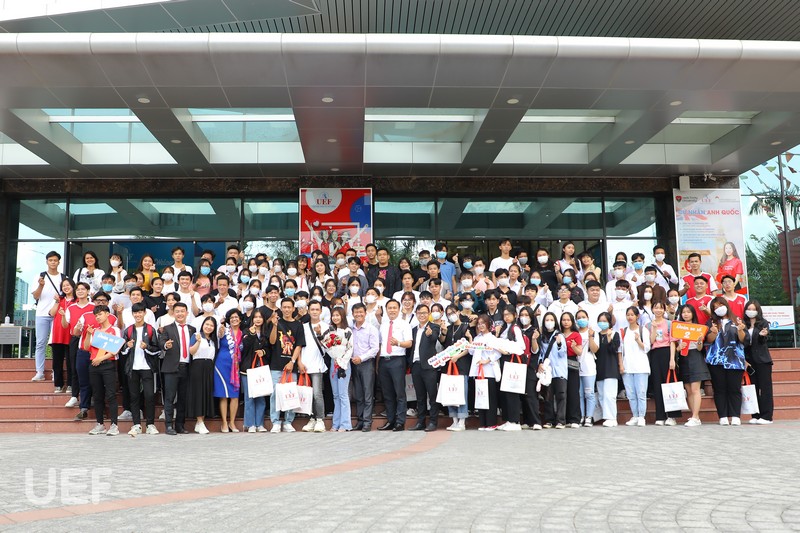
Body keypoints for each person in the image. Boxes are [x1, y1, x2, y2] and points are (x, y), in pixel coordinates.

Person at [705, 297, 748, 426]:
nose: (719, 308)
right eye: (715, 307)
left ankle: (735, 416)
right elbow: (708, 340)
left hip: (735, 360)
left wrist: (740, 330)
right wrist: (713, 332)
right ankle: (722, 416)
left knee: (734, 388)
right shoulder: (711, 322)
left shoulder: (737, 320)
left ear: (726, 305)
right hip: (716, 361)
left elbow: (743, 340)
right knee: (719, 389)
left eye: (721, 305)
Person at [121, 302, 161, 436]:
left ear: (145, 313)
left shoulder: (150, 329)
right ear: (132, 314)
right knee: (134, 396)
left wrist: (147, 347)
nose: (138, 315)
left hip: (147, 367)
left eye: (140, 312)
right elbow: (122, 351)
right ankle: (136, 424)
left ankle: (150, 424)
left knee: (149, 396)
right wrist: (127, 346)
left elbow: (157, 349)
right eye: (135, 312)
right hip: (132, 368)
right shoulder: (128, 330)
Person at [269, 298, 306, 433]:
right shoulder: (276, 322)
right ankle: (275, 421)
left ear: (293, 308)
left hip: (291, 365)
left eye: (289, 307)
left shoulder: (298, 325)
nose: (286, 310)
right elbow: (272, 341)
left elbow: (299, 345)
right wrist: (274, 326)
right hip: (276, 364)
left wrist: (292, 361)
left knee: (291, 393)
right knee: (275, 394)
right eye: (284, 307)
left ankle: (288, 421)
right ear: (281, 308)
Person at [159, 302, 196, 435]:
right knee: (169, 398)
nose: (180, 314)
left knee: (183, 398)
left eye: (182, 311)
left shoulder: (192, 329)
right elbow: (161, 342)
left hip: (187, 367)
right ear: (173, 313)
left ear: (187, 313)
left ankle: (180, 425)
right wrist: (166, 345)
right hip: (171, 368)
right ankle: (169, 425)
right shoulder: (167, 329)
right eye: (177, 311)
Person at [84, 305, 121, 436]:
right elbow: (86, 347)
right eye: (96, 315)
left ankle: (114, 425)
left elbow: (116, 349)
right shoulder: (95, 331)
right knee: (97, 395)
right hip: (94, 365)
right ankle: (100, 424)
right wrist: (88, 334)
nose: (98, 317)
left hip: (108, 364)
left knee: (111, 395)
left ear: (107, 314)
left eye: (100, 314)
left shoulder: (114, 330)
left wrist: (101, 358)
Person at [671, 304, 710, 426]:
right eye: (684, 312)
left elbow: (699, 348)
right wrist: (678, 348)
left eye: (688, 312)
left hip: (695, 357)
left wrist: (699, 342)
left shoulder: (698, 328)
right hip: (683, 358)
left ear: (693, 313)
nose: (686, 314)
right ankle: (695, 416)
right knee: (688, 389)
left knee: (695, 389)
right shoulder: (678, 327)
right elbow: (674, 345)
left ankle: (695, 416)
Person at [377, 299, 414, 431]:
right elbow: (380, 344)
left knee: (399, 393)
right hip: (383, 360)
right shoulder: (383, 325)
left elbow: (409, 343)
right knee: (387, 393)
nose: (392, 310)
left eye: (394, 308)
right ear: (386, 310)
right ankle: (391, 420)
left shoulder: (404, 324)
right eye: (389, 308)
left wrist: (398, 343)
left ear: (399, 309)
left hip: (397, 360)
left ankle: (400, 422)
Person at [406, 304, 442, 432]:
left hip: (429, 366)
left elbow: (434, 338)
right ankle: (420, 422)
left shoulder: (434, 327)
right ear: (416, 314)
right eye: (420, 313)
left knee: (432, 395)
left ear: (429, 314)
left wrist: (430, 334)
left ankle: (433, 422)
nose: (422, 315)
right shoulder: (414, 329)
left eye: (425, 313)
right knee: (420, 396)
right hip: (416, 365)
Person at [31, 250, 65, 382]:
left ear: (59, 262)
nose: (53, 262)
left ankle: (56, 372)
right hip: (41, 313)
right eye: (50, 260)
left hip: (58, 314)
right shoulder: (40, 276)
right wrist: (41, 285)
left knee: (57, 344)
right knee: (40, 343)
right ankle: (39, 372)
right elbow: (36, 296)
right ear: (47, 262)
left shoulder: (63, 277)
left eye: (55, 260)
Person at [467, 314, 502, 431]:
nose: (481, 325)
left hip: (489, 371)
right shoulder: (477, 338)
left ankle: (491, 423)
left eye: (483, 323)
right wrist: (470, 339)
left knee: (490, 398)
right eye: (479, 323)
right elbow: (471, 352)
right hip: (478, 371)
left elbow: (498, 353)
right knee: (480, 397)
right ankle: (483, 423)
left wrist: (487, 360)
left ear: (488, 324)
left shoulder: (492, 338)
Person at [647, 301, 679, 426]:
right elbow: (651, 341)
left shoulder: (669, 324)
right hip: (655, 354)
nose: (658, 310)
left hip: (667, 353)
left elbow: (672, 342)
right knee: (657, 384)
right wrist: (654, 328)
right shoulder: (648, 325)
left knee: (670, 383)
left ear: (664, 310)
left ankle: (672, 416)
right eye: (656, 308)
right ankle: (660, 415)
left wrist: (672, 359)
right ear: (652, 309)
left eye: (661, 308)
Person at [300, 300, 329, 433]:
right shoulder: (303, 327)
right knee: (308, 394)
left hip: (318, 365)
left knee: (317, 393)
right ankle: (311, 418)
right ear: (308, 310)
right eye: (312, 309)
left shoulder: (326, 326)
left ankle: (320, 419)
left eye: (317, 309)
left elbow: (329, 347)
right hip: (305, 365)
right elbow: (299, 346)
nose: (315, 312)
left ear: (321, 311)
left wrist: (319, 334)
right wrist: (299, 362)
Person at [350, 303, 380, 432]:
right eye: (356, 312)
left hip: (366, 363)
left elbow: (375, 348)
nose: (358, 314)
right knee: (358, 394)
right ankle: (360, 420)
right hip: (353, 364)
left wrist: (361, 358)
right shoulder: (350, 329)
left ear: (365, 313)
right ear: (352, 314)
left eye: (361, 312)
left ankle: (367, 421)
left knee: (368, 394)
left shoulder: (371, 329)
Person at [322, 307, 353, 432]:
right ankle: (336, 423)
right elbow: (326, 345)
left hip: (344, 365)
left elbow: (350, 349)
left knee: (343, 395)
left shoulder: (347, 331)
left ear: (342, 316)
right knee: (335, 395)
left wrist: (341, 361)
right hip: (333, 363)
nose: (335, 317)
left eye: (337, 315)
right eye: (333, 315)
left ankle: (345, 424)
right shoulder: (329, 331)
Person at [743, 299, 774, 425]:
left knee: (765, 388)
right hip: (749, 361)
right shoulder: (743, 324)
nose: (751, 311)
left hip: (762, 360)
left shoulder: (763, 323)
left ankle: (767, 416)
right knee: (753, 388)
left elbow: (764, 341)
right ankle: (755, 415)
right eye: (749, 309)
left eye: (753, 309)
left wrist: (762, 335)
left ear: (758, 311)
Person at [496, 307, 526, 431]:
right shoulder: (503, 328)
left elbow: (521, 346)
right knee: (505, 391)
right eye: (504, 315)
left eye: (509, 314)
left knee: (512, 391)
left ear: (515, 315)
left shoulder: (515, 328)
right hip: (504, 361)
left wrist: (507, 349)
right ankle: (508, 419)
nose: (506, 317)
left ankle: (515, 421)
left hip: (512, 360)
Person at [241, 309, 271, 432]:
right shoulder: (246, 331)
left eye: (260, 317)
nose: (258, 319)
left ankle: (260, 424)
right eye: (255, 317)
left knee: (261, 397)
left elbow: (270, 349)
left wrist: (263, 351)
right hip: (248, 369)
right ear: (252, 319)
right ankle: (250, 424)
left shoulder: (266, 333)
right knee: (249, 397)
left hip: (261, 369)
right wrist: (252, 335)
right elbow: (245, 348)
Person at [620, 306, 651, 426]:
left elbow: (647, 348)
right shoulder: (624, 331)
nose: (630, 317)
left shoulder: (643, 330)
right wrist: (621, 365)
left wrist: (638, 340)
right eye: (628, 315)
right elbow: (621, 350)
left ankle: (641, 416)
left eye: (632, 314)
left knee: (641, 393)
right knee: (631, 393)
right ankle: (635, 415)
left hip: (641, 366)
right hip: (627, 366)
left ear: (637, 316)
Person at [214, 308, 244, 432]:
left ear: (240, 319)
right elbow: (218, 338)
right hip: (222, 365)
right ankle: (224, 423)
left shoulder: (244, 333)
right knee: (223, 395)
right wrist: (219, 331)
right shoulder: (223, 330)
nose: (234, 319)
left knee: (234, 396)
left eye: (236, 317)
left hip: (236, 367)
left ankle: (232, 422)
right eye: (231, 318)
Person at [188, 316, 218, 434]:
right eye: (207, 324)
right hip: (198, 366)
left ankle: (200, 422)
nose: (208, 327)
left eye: (211, 325)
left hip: (209, 367)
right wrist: (198, 342)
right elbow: (191, 351)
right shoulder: (196, 335)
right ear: (203, 325)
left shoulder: (213, 340)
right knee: (199, 394)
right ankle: (200, 422)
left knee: (206, 393)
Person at [538, 311, 567, 428]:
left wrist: (559, 344)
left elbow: (563, 353)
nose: (549, 322)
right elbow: (541, 353)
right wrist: (540, 363)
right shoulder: (542, 337)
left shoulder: (560, 336)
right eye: (547, 320)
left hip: (559, 370)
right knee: (548, 396)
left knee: (561, 395)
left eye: (551, 320)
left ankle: (561, 420)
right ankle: (549, 420)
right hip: (547, 370)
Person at [593, 311, 621, 427]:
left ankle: (612, 417)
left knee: (610, 395)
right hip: (599, 368)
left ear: (609, 322)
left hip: (611, 368)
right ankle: (606, 416)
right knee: (602, 395)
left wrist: (609, 338)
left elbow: (614, 349)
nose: (602, 323)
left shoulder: (615, 334)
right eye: (600, 321)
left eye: (605, 321)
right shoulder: (596, 335)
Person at [517, 306, 542, 430]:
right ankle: (526, 420)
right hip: (518, 365)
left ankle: (536, 421)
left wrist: (534, 339)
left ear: (531, 317)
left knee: (531, 394)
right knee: (522, 395)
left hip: (530, 366)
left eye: (527, 315)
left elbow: (535, 350)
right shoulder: (517, 330)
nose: (524, 318)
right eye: (522, 315)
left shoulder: (534, 331)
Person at [49, 278, 75, 394]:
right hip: (58, 334)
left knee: (71, 361)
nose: (66, 287)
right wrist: (57, 302)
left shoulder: (77, 300)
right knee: (57, 362)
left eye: (68, 285)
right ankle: (58, 384)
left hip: (71, 334)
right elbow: (52, 313)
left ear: (73, 286)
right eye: (63, 286)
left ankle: (70, 384)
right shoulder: (59, 299)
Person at [575, 309, 598, 427]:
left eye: (583, 317)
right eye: (579, 318)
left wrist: (590, 337)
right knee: (579, 394)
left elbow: (595, 349)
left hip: (589, 367)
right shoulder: (575, 333)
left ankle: (589, 416)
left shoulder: (593, 332)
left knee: (589, 393)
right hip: (576, 367)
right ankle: (581, 416)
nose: (581, 320)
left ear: (588, 318)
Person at [561, 311, 583, 428]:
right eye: (564, 320)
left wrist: (574, 346)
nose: (566, 322)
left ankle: (574, 419)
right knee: (562, 391)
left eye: (568, 320)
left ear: (572, 321)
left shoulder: (576, 335)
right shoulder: (558, 334)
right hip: (560, 362)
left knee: (573, 391)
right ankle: (563, 418)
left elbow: (579, 352)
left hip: (571, 362)